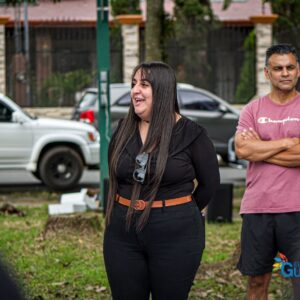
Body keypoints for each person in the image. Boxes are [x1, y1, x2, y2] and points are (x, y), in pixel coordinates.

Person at [103, 61, 220, 300]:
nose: (135, 90)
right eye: (134, 84)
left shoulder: (192, 134)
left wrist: (181, 212)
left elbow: (210, 184)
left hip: (176, 234)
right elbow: (115, 174)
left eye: (144, 84)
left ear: (163, 89)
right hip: (122, 231)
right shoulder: (122, 129)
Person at [235, 43, 300, 299]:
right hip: (258, 209)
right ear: (267, 73)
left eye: (290, 67)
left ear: (298, 71)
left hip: (296, 211)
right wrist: (286, 143)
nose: (284, 73)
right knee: (257, 283)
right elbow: (243, 150)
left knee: (297, 282)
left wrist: (261, 147)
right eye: (278, 68)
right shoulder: (252, 110)